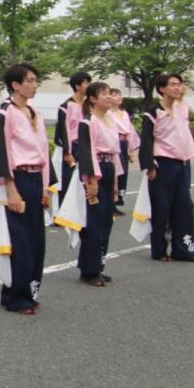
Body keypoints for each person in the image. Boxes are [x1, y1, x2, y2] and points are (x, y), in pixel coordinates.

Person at [0, 63, 53, 313]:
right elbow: (1, 152)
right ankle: (15, 296)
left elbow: (44, 150)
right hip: (19, 180)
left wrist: (46, 187)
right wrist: (11, 190)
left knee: (36, 240)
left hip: (37, 180)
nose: (35, 85)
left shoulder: (34, 110)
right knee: (20, 242)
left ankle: (30, 291)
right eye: (31, 80)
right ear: (16, 84)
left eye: (36, 80)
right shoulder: (6, 112)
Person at [139, 73, 194, 262]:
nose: (177, 87)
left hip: (181, 163)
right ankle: (159, 250)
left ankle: (183, 249)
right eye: (172, 84)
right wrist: (149, 165)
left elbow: (182, 100)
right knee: (162, 208)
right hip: (162, 164)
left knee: (183, 207)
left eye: (179, 84)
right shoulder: (153, 111)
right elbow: (147, 140)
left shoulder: (182, 108)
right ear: (162, 88)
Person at [74, 82, 122, 286]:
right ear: (93, 99)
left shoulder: (110, 119)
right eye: (104, 94)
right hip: (95, 171)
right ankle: (90, 270)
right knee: (93, 223)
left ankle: (97, 266)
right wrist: (92, 181)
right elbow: (87, 152)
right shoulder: (88, 122)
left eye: (110, 94)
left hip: (109, 168)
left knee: (106, 220)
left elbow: (115, 153)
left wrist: (115, 184)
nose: (109, 97)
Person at [54, 72, 91, 204]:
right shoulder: (66, 106)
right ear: (77, 86)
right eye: (86, 83)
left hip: (87, 147)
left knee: (86, 179)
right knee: (68, 180)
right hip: (73, 147)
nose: (89, 86)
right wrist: (67, 152)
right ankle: (64, 211)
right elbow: (64, 130)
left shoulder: (89, 106)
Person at [108, 88, 139, 215]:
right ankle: (110, 203)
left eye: (119, 95)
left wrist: (132, 151)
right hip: (114, 143)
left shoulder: (124, 113)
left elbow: (130, 132)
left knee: (123, 174)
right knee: (115, 173)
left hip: (124, 143)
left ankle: (116, 202)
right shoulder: (108, 113)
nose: (118, 97)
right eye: (114, 95)